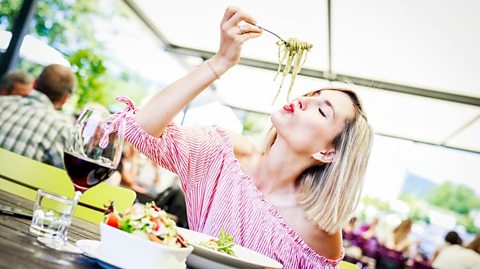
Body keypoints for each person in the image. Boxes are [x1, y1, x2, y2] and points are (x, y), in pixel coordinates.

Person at [102, 7, 373, 268]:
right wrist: (220, 62)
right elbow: (142, 127)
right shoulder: (226, 153)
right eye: (312, 95)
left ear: (327, 153)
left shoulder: (319, 233)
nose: (304, 100)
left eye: (323, 110)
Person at [0, 64, 75, 168]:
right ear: (66, 98)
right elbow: (69, 176)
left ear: (34, 83)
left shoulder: (2, 102)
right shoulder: (61, 126)